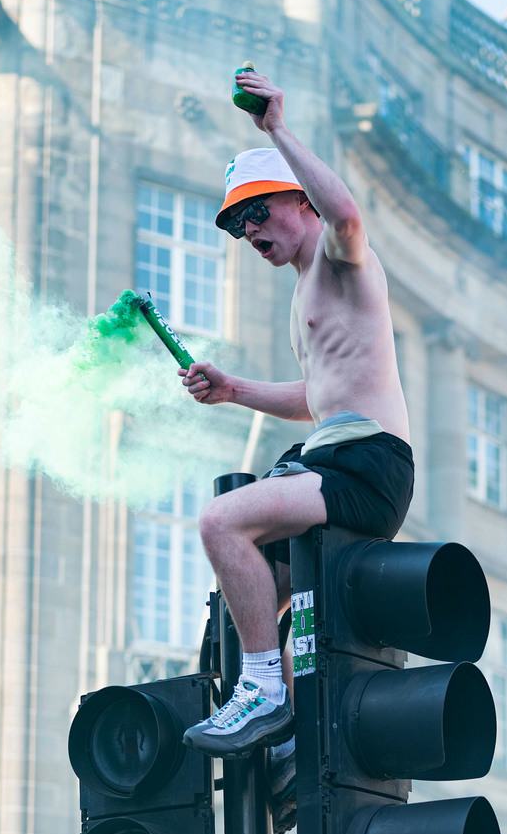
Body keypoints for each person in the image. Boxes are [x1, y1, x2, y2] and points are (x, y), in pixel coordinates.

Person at [178, 68, 415, 759]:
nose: (248, 230)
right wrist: (233, 389)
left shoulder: (342, 259)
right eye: (236, 223)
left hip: (367, 460)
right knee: (255, 594)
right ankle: (292, 741)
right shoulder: (302, 297)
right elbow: (318, 399)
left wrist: (277, 127)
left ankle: (262, 690)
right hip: (338, 452)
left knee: (221, 520)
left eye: (258, 211)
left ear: (301, 201)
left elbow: (346, 215)